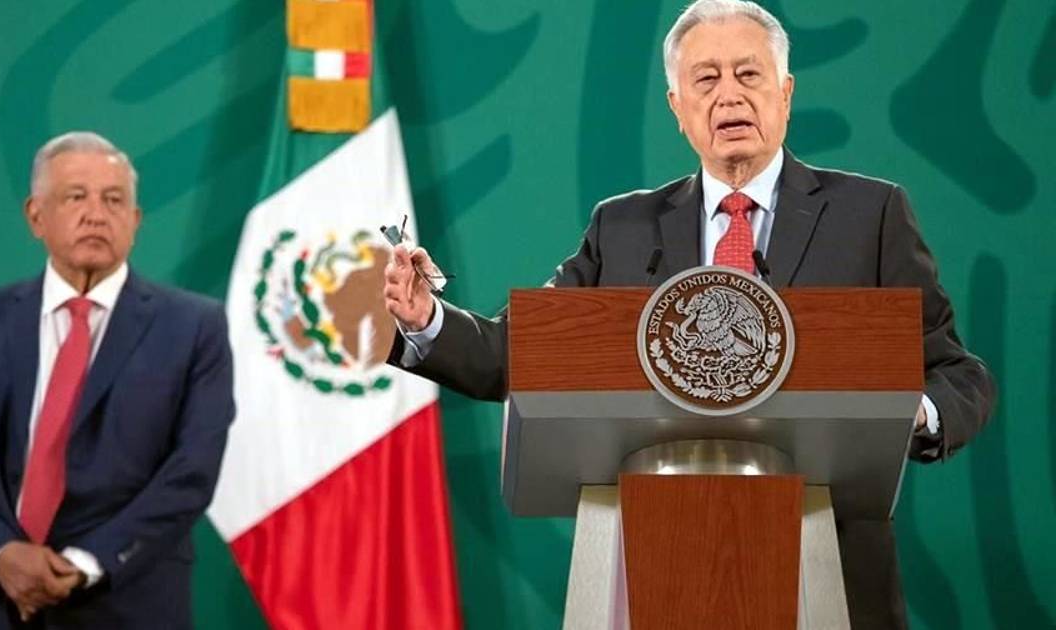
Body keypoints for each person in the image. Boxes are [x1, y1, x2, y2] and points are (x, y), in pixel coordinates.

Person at [382, 1, 995, 628]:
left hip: (829, 572)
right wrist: (427, 317)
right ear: (678, 108)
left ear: (785, 94)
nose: (729, 95)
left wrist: (908, 411)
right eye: (706, 79)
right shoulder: (622, 227)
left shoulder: (870, 215)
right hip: (655, 567)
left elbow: (958, 373)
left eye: (748, 74)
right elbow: (523, 354)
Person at [0, 131, 235, 628]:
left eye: (114, 200)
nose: (96, 214)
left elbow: (192, 470)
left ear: (135, 221)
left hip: (123, 601)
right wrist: (1, 554)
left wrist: (86, 564)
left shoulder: (194, 328)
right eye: (75, 197)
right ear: (35, 216)